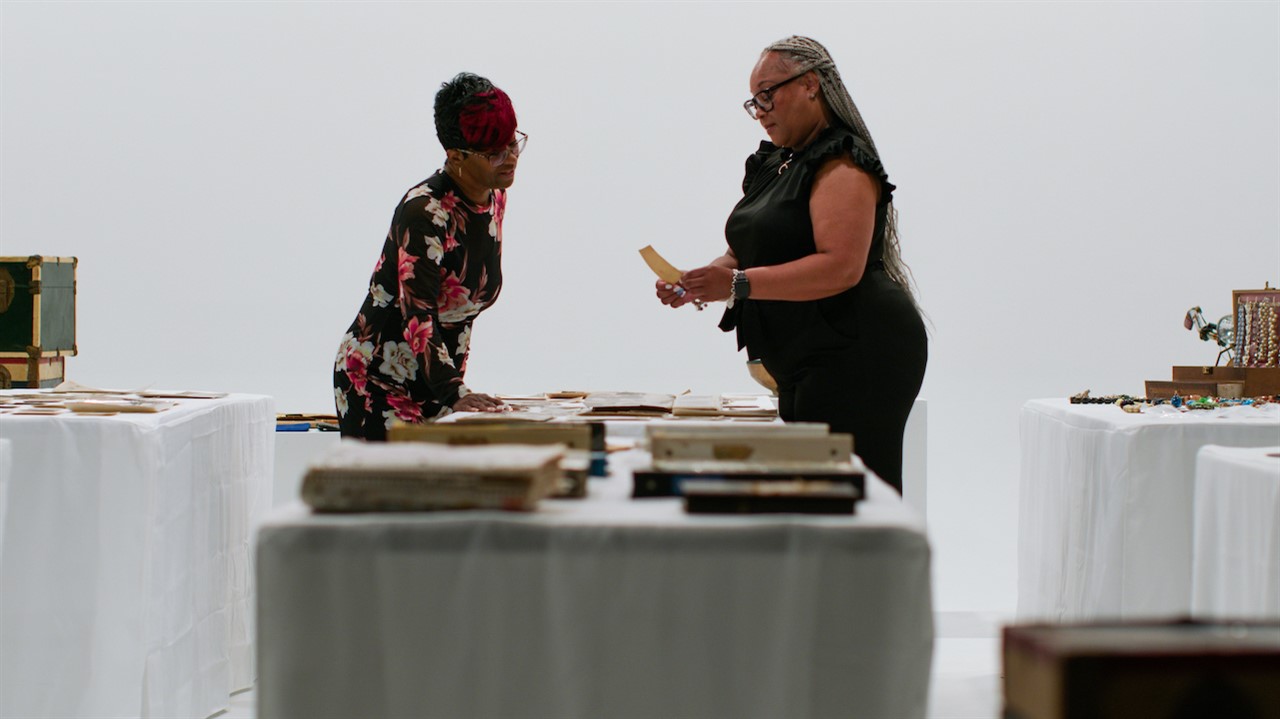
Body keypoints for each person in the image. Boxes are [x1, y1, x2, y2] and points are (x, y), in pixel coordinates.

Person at [657, 36, 927, 493]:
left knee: (848, 499)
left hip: (858, 349)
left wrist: (737, 284)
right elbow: (745, 252)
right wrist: (701, 281)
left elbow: (841, 268)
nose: (760, 109)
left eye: (768, 93)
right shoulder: (777, 163)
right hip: (809, 352)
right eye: (753, 101)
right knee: (816, 497)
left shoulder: (841, 161)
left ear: (811, 85)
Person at [334, 72, 525, 440]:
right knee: (398, 493)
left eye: (514, 144)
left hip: (436, 385)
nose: (510, 159)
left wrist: (453, 390)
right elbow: (418, 314)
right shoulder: (425, 212)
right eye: (494, 153)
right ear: (455, 156)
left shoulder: (494, 196)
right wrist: (455, 392)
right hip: (378, 380)